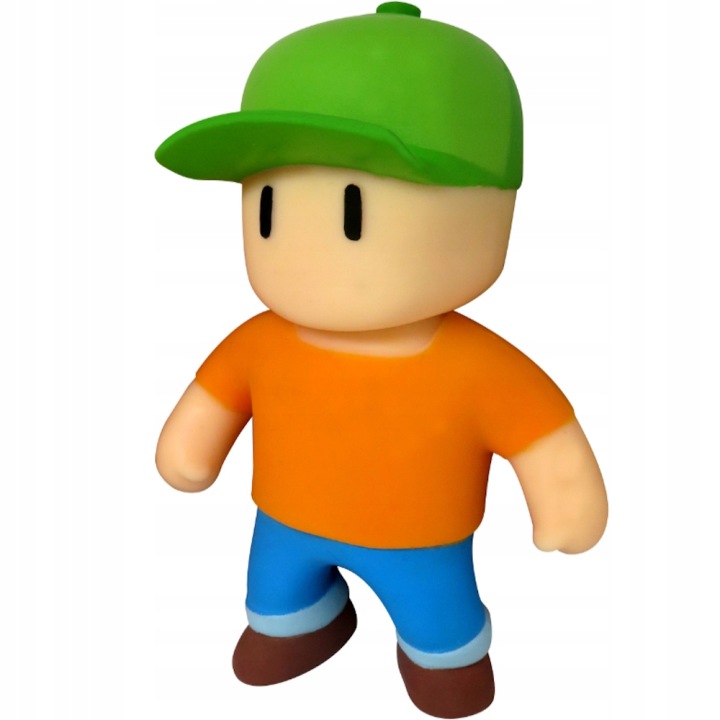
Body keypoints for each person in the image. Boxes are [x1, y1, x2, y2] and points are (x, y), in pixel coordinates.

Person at [155, 4, 608, 717]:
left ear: (486, 210)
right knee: (274, 598)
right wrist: (191, 449)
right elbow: (214, 402)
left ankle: (439, 653)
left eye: (351, 211)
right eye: (267, 205)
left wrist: (563, 500)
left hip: (420, 539)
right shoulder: (259, 341)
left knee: (440, 630)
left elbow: (541, 436)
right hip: (285, 519)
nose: (304, 248)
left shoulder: (478, 366)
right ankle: (300, 623)